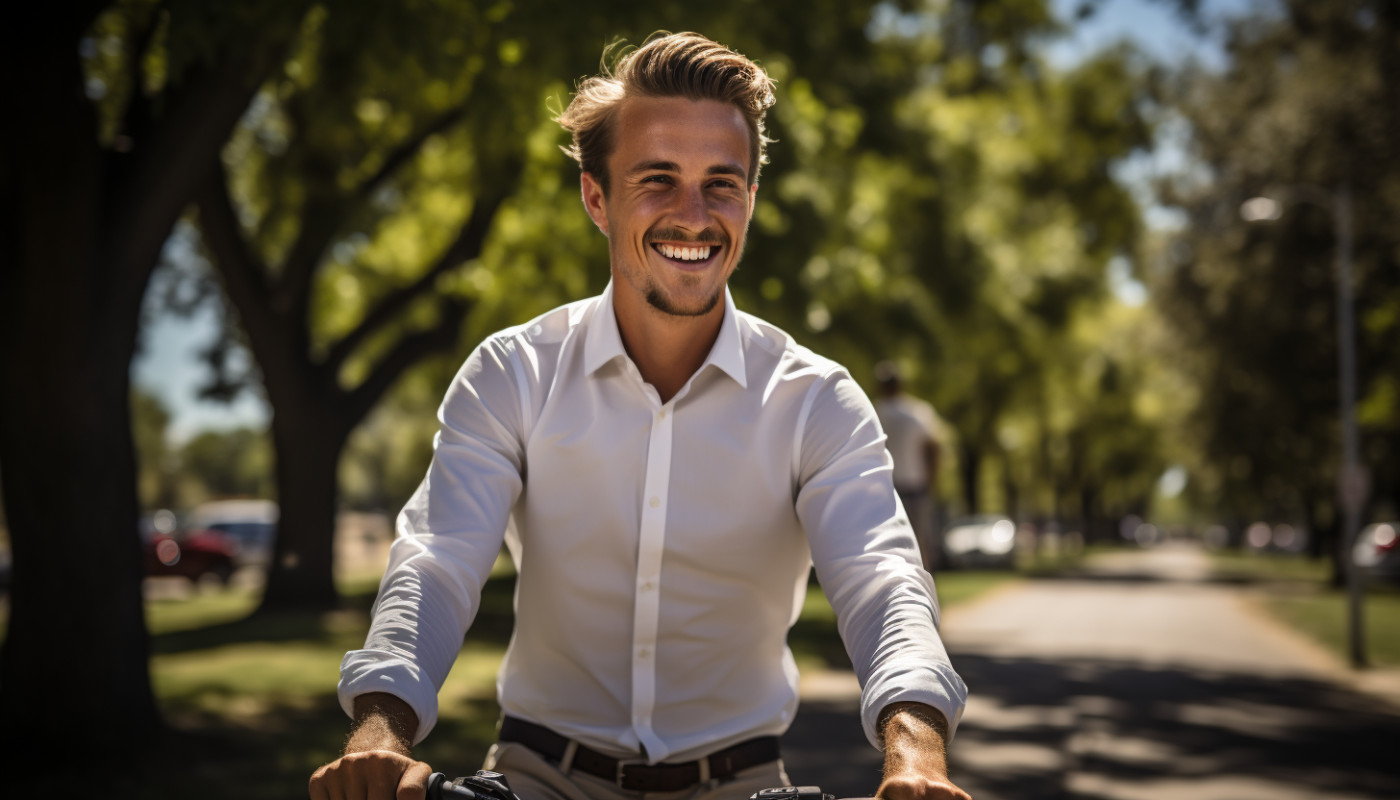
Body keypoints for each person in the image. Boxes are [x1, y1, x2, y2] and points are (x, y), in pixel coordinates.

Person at [310, 32, 969, 800]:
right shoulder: (511, 374)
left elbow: (882, 579)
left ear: (751, 199)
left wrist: (915, 750)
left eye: (722, 183)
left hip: (742, 783)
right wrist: (380, 730)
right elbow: (438, 560)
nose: (694, 216)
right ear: (597, 196)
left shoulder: (816, 399)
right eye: (658, 179)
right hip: (538, 778)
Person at [872, 362, 945, 572]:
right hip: (914, 486)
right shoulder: (918, 411)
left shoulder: (873, 411)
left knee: (887, 546)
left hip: (885, 487)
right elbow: (933, 450)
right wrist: (931, 482)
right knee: (919, 542)